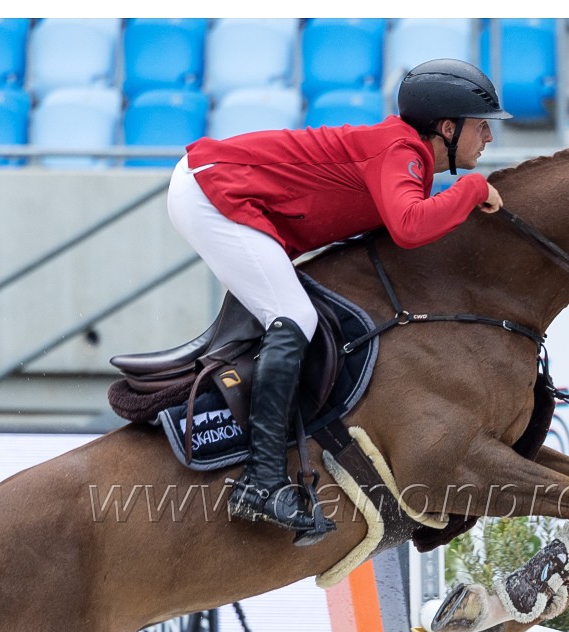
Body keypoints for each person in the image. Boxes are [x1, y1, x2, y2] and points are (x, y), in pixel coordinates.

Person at [166, 58, 512, 545]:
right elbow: (410, 228)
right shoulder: (400, 151)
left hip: (216, 189)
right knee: (294, 317)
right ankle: (261, 482)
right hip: (209, 191)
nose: (489, 139)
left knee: (294, 314)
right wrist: (472, 187)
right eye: (483, 127)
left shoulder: (405, 154)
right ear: (448, 128)